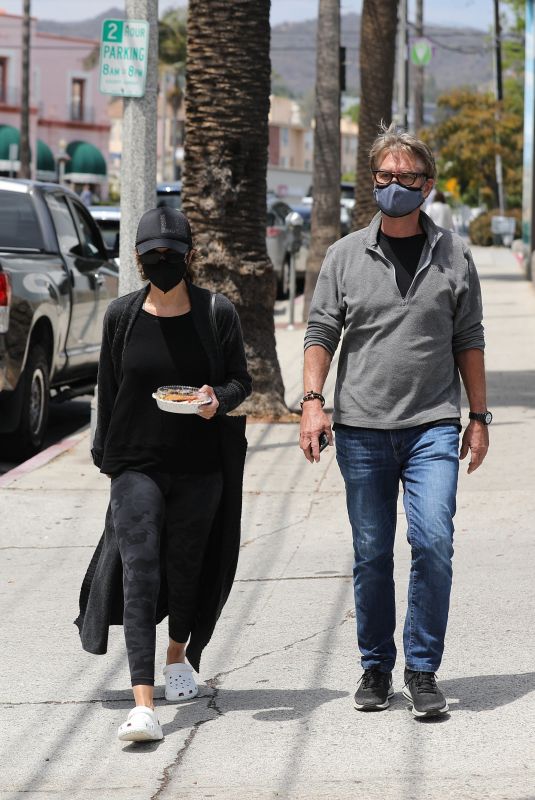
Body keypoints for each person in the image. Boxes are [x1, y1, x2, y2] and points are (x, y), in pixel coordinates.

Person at [300, 124, 490, 719]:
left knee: (433, 541)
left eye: (406, 177)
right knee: (371, 550)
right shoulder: (344, 255)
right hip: (360, 428)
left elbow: (469, 340)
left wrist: (478, 417)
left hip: (433, 424)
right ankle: (376, 668)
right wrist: (312, 400)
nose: (393, 187)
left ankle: (423, 670)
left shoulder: (455, 255)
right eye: (384, 177)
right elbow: (321, 332)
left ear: (427, 185)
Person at [75, 206, 252, 742]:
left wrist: (214, 399)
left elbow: (241, 382)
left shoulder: (216, 313)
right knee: (141, 566)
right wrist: (106, 458)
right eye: (153, 256)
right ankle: (144, 702)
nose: (163, 263)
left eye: (172, 256)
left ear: (190, 258)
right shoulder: (121, 317)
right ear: (137, 259)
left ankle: (178, 657)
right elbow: (108, 389)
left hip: (200, 467)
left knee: (187, 568)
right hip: (134, 463)